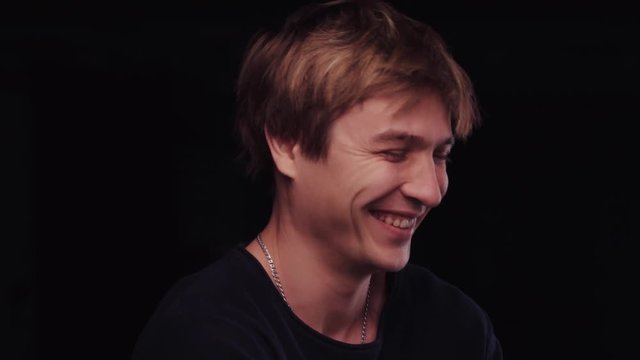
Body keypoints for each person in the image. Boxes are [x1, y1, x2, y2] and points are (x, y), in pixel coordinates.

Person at [133, 0, 503, 359]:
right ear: (286, 142)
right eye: (393, 152)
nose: (430, 191)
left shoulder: (458, 328)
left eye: (441, 155)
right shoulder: (204, 336)